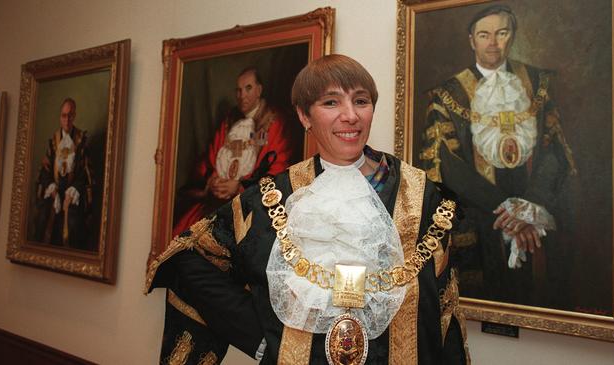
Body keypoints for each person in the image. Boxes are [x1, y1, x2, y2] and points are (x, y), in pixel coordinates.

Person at [146, 55, 469, 364]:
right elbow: (188, 259)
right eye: (331, 103)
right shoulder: (273, 198)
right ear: (304, 116)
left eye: (361, 101)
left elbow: (445, 309)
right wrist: (260, 339)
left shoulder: (420, 194)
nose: (350, 116)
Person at [418, 5, 576, 306]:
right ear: (471, 40)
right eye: (484, 35)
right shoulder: (448, 94)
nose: (493, 43)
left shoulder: (537, 82)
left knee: (539, 300)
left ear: (512, 36)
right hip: (483, 214)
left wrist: (530, 206)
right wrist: (506, 210)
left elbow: (554, 150)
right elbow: (447, 165)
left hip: (534, 213)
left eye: (501, 33)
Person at [172, 67, 294, 237]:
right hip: (219, 199)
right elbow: (210, 159)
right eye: (238, 90)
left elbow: (279, 168)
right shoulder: (229, 120)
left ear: (259, 90)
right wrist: (214, 181)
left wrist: (241, 187)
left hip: (254, 203)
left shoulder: (275, 121)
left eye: (248, 88)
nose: (242, 95)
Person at [33, 97, 94, 250]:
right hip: (54, 193)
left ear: (74, 116)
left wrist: (72, 192)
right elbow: (45, 172)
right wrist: (52, 189)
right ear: (60, 117)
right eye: (63, 115)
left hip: (71, 195)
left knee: (73, 221)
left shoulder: (81, 141)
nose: (66, 119)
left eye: (70, 115)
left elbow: (85, 174)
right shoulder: (53, 142)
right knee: (42, 217)